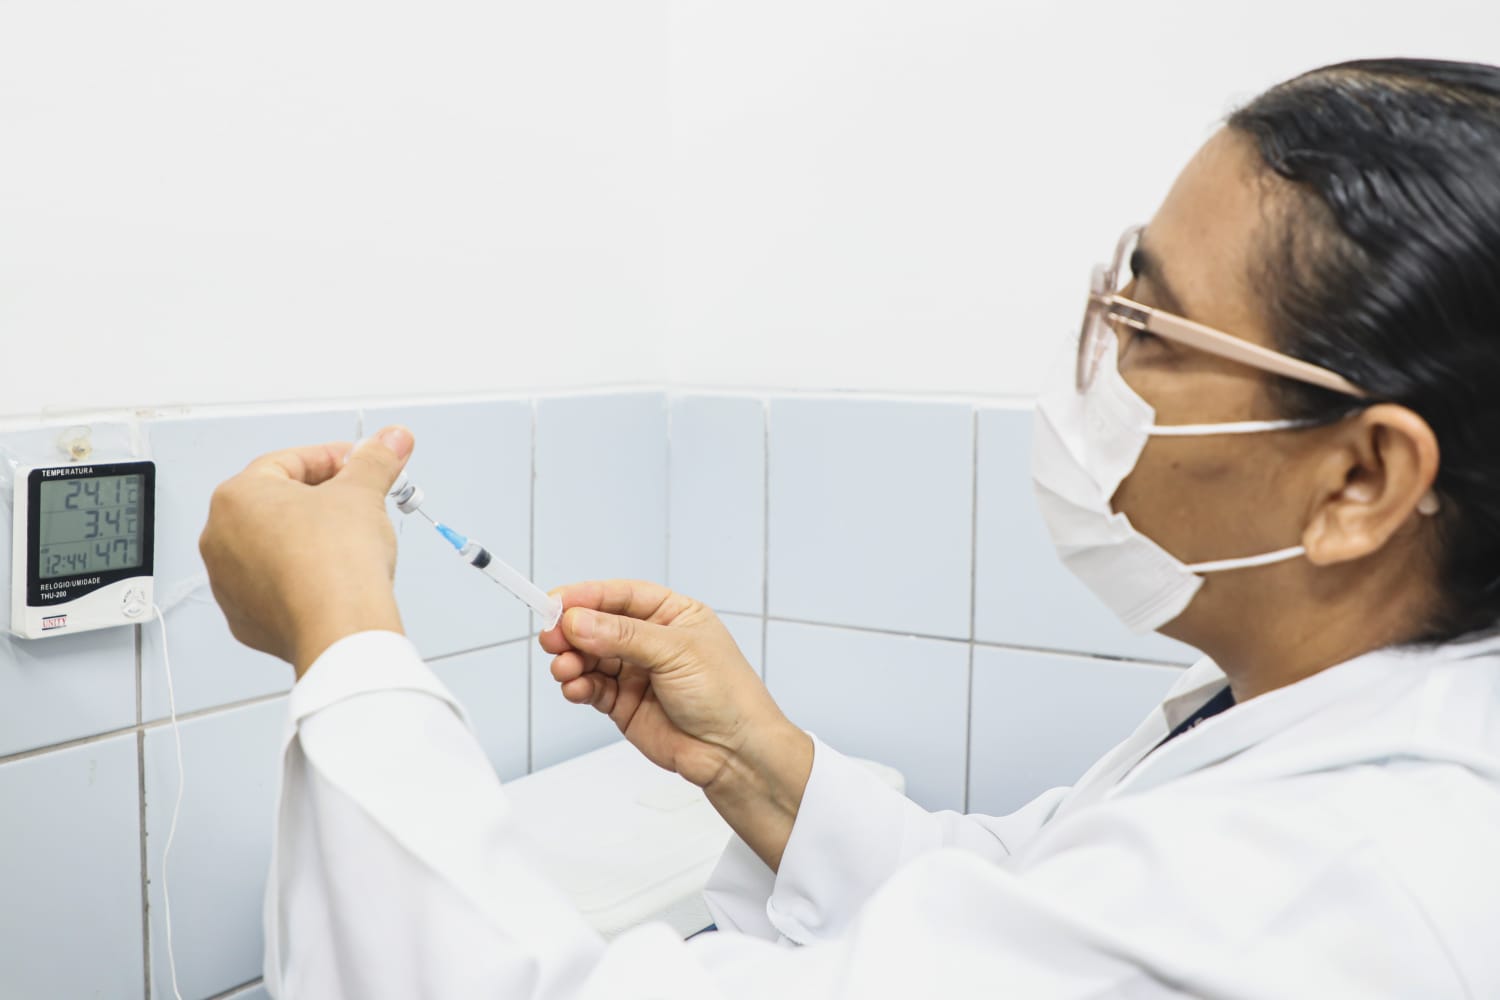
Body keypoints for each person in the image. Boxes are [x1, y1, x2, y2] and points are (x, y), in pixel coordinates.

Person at [200, 58, 1500, 998]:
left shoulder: (1312, 891)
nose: (1098, 361)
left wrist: (343, 636)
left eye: (1147, 326)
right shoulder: (1329, 735)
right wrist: (754, 758)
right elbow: (1015, 898)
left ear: (1363, 480)